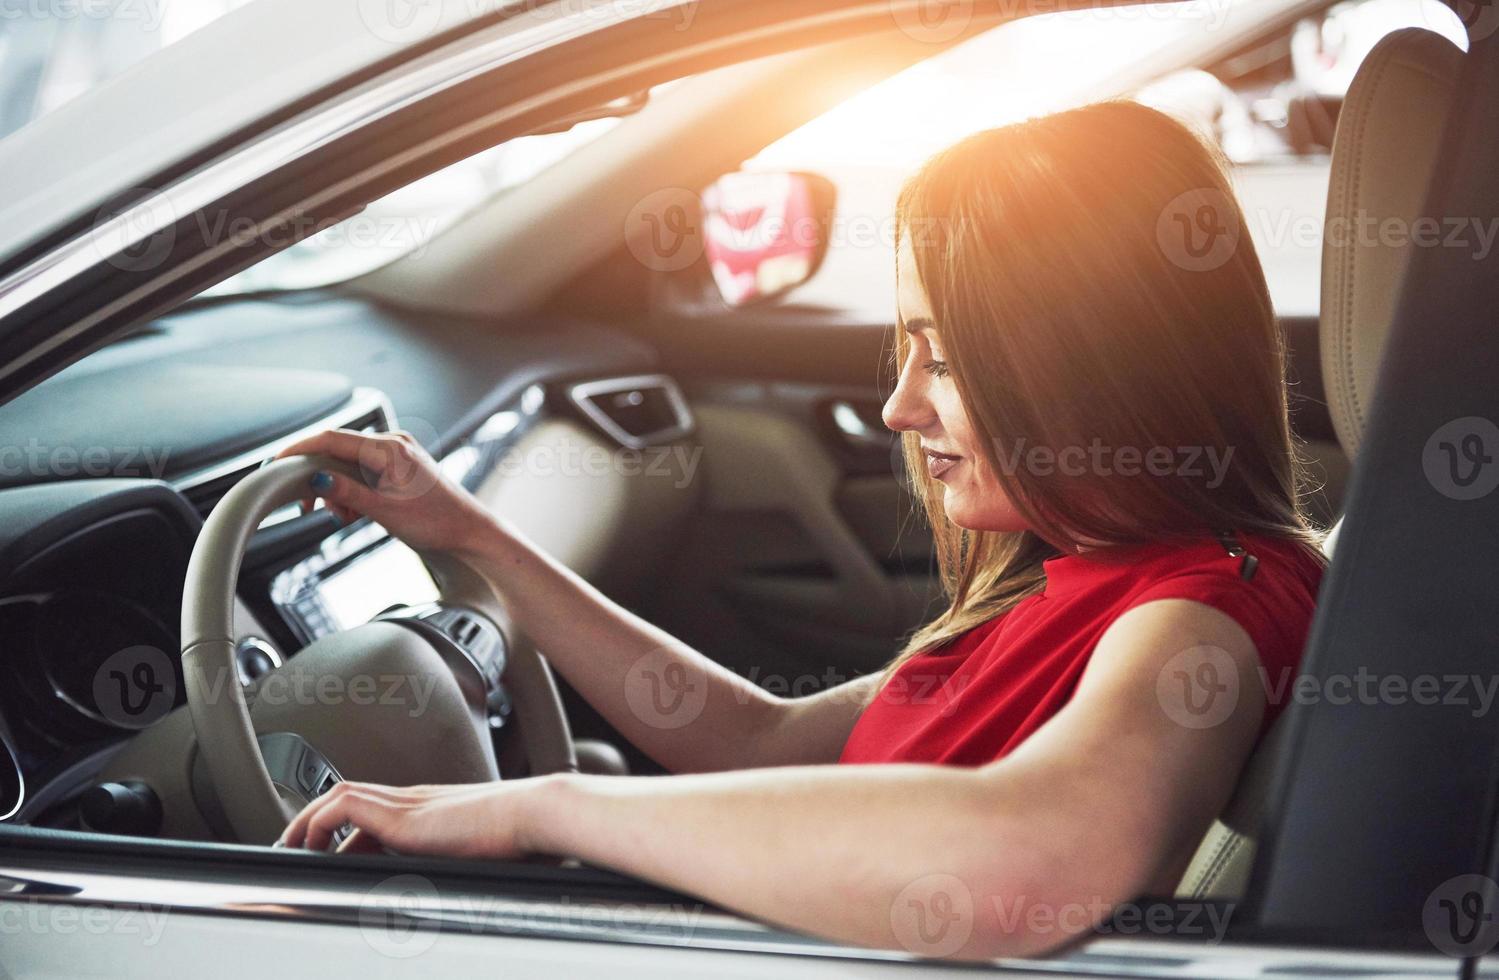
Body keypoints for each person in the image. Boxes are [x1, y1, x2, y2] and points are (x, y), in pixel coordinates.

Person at [272, 100, 1325, 960]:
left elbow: (1040, 862)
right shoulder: (1076, 579)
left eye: (942, 355)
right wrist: (469, 534)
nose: (898, 409)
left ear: (1087, 359)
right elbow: (752, 739)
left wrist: (543, 809)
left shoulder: (1203, 608)